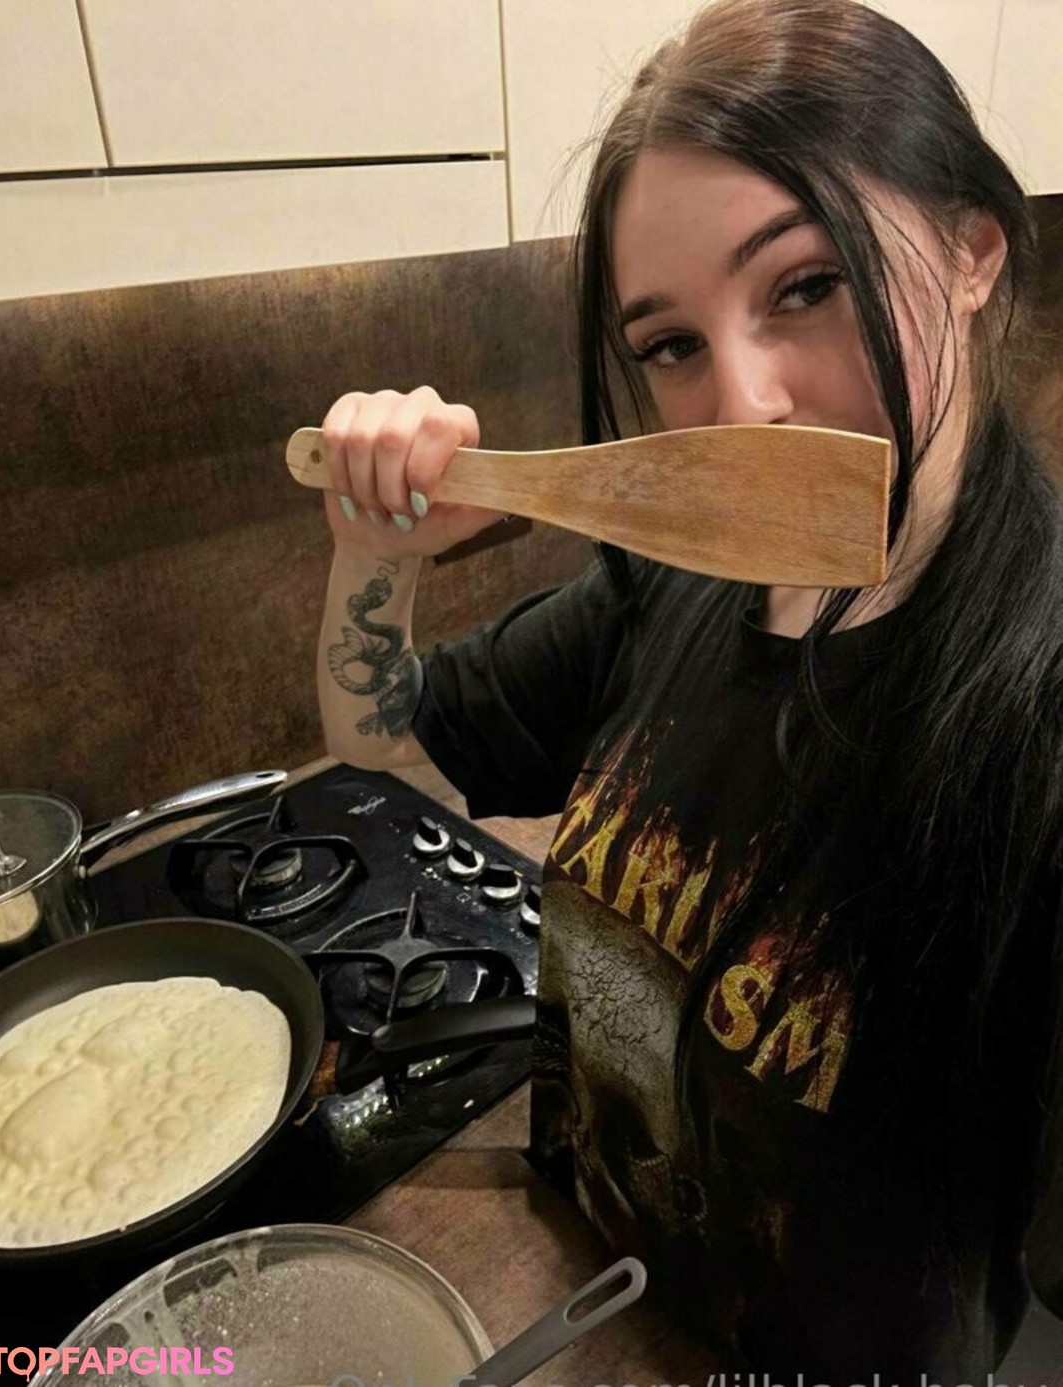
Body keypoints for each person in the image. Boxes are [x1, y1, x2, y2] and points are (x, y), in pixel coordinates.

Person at [313, 0, 1063, 1379]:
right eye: (671, 346)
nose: (742, 405)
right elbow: (387, 758)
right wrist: (376, 555)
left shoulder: (1043, 712)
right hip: (588, 1272)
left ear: (971, 251)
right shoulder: (676, 581)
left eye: (807, 283)